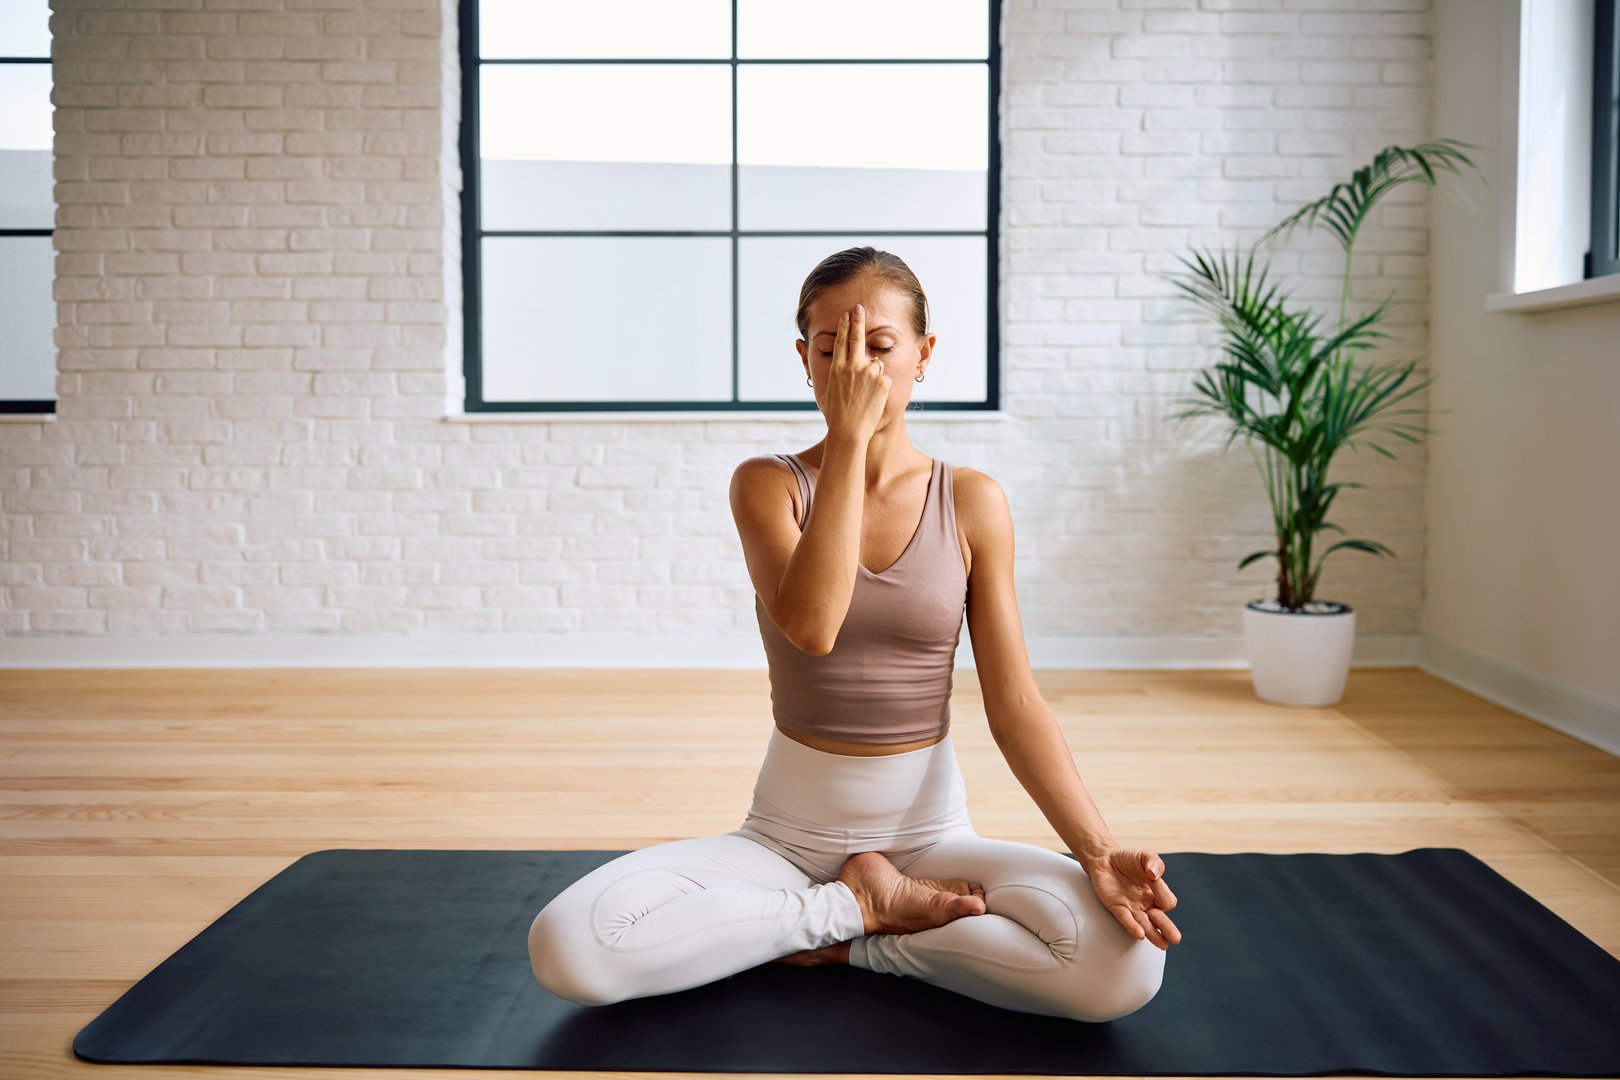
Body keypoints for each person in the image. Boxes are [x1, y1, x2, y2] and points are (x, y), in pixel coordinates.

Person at [528, 245, 1181, 1023]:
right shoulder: (769, 485)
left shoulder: (972, 500)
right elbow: (812, 626)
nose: (857, 370)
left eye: (880, 347)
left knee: (1125, 969)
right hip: (783, 840)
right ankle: (856, 907)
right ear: (805, 362)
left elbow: (1014, 700)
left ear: (924, 355)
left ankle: (860, 940)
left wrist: (1100, 854)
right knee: (568, 946)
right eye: (834, 351)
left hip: (932, 839)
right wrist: (846, 441)